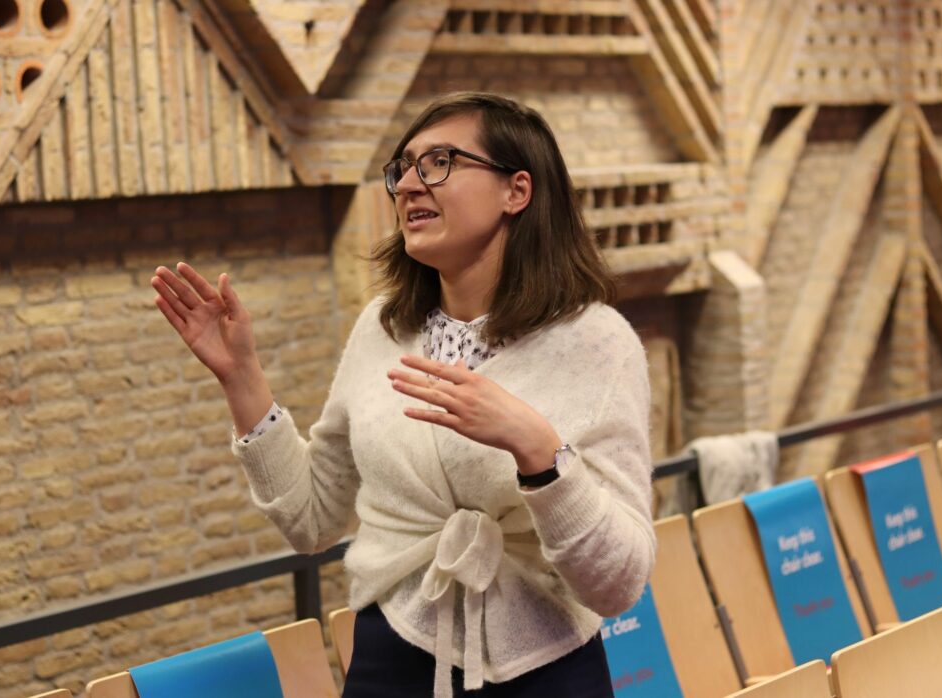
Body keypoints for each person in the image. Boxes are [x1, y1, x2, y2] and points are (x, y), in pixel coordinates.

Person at [151, 91, 654, 698]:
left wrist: (540, 453)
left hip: (546, 667)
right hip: (393, 659)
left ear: (516, 190)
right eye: (404, 168)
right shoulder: (382, 328)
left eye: (440, 162)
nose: (410, 185)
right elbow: (312, 520)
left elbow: (618, 584)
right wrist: (242, 378)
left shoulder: (598, 343)